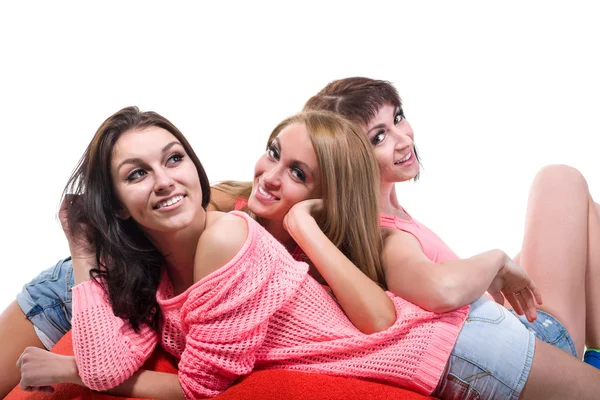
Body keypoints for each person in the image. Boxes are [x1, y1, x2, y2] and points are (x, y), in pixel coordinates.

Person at [17, 107, 600, 399]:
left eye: (173, 160)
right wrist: (83, 250)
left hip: (459, 346)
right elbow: (109, 362)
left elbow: (197, 388)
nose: (166, 180)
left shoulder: (226, 239)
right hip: (449, 340)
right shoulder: (174, 267)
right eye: (138, 172)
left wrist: (71, 370)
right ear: (115, 202)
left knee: (560, 184)